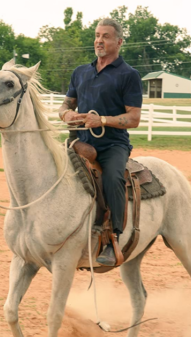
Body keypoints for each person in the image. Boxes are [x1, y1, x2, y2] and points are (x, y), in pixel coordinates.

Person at [57, 18, 143, 266]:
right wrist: (66, 115)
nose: (99, 40)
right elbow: (65, 105)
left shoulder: (128, 75)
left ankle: (112, 238)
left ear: (119, 41)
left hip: (112, 145)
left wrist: (102, 120)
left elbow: (134, 118)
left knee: (113, 177)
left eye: (105, 36)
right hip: (80, 141)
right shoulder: (81, 72)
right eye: (97, 35)